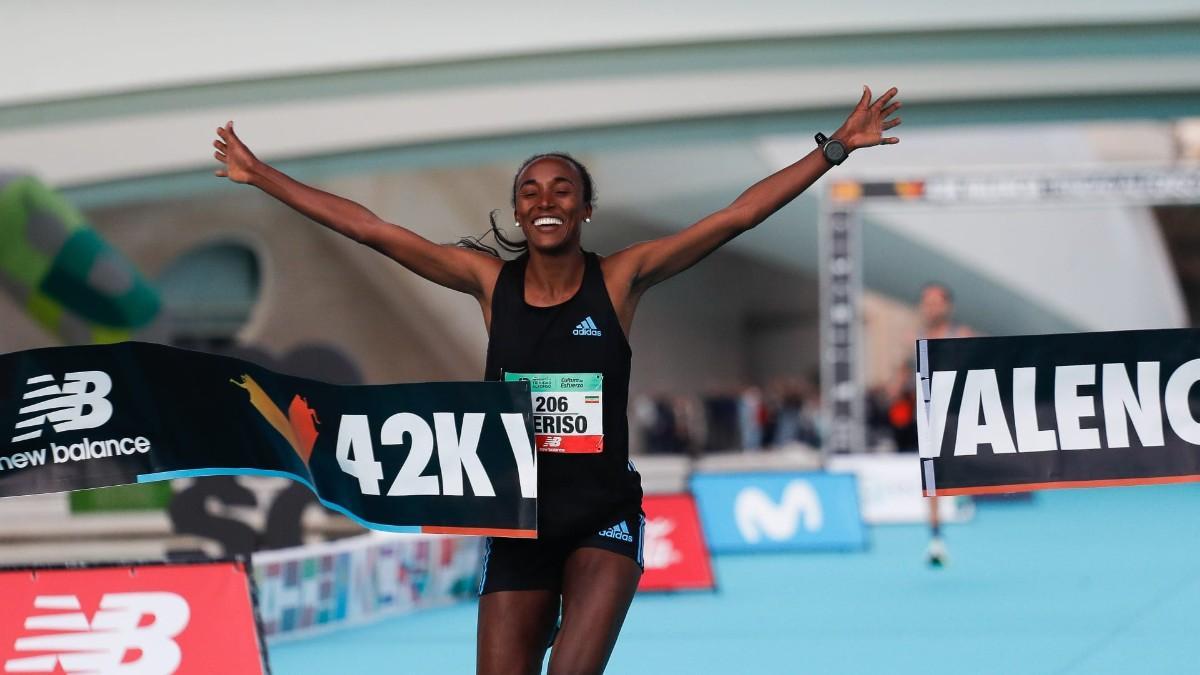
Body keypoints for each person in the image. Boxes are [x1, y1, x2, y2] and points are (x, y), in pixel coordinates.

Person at [212, 84, 902, 675]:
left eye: (562, 189)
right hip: (517, 523)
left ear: (584, 209)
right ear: (518, 212)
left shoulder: (622, 278)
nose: (546, 200)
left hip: (603, 517)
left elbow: (736, 215)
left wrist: (833, 148)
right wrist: (262, 175)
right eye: (530, 192)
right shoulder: (486, 282)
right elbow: (371, 230)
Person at [915, 282, 973, 568]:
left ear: (947, 306)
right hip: (931, 418)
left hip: (963, 415)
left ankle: (967, 497)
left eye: (936, 302)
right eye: (926, 302)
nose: (931, 307)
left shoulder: (961, 335)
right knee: (932, 477)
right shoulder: (916, 339)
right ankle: (936, 539)